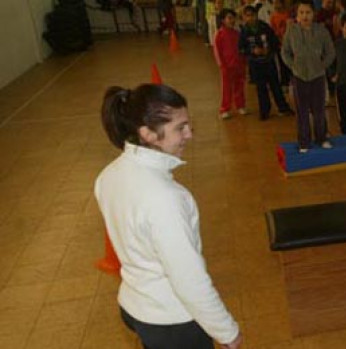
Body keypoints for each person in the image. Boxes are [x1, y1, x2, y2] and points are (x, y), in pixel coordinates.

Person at [95, 84, 243, 349]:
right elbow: (188, 278)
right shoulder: (166, 198)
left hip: (136, 308)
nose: (189, 134)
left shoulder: (109, 175)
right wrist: (227, 331)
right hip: (173, 323)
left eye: (188, 125)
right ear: (148, 133)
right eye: (180, 128)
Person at [281, 0, 336, 152]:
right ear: (297, 15)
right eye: (301, 13)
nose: (305, 16)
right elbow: (284, 51)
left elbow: (331, 52)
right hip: (299, 76)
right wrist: (292, 65)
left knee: (319, 109)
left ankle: (322, 137)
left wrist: (322, 66)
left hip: (317, 76)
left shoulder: (322, 31)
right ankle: (304, 142)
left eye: (308, 12)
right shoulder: (291, 31)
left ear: (314, 14)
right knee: (302, 111)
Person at [240, 5, 294, 120]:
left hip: (269, 62)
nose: (251, 18)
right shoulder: (244, 32)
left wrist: (268, 50)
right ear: (244, 17)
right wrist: (252, 51)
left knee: (275, 85)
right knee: (261, 88)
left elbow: (274, 41)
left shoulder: (265, 27)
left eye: (253, 15)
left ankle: (283, 107)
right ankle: (264, 111)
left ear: (256, 15)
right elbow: (241, 48)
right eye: (247, 16)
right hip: (255, 64)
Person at [215, 8, 248, 120]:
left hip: (238, 65)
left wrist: (244, 62)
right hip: (227, 66)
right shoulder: (220, 34)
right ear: (223, 20)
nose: (232, 20)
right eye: (229, 18)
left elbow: (242, 49)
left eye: (233, 18)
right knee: (227, 88)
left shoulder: (238, 34)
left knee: (239, 86)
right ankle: (225, 108)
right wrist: (222, 65)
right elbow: (217, 51)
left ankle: (240, 105)